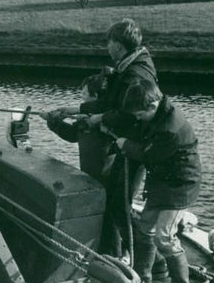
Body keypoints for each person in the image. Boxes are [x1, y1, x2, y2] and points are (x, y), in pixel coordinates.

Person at [44, 18, 158, 261]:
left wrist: (95, 119)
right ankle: (117, 256)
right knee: (116, 206)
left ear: (118, 44)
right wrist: (75, 110)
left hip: (130, 147)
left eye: (109, 43)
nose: (107, 48)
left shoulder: (134, 73)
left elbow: (125, 112)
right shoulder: (130, 66)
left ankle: (145, 262)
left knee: (118, 207)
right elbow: (111, 104)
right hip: (125, 146)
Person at [108, 77, 201, 283]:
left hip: (180, 187)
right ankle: (143, 277)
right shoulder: (157, 114)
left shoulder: (170, 128)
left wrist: (126, 145)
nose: (138, 119)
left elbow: (149, 155)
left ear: (151, 106)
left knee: (164, 237)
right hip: (162, 183)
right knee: (145, 229)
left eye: (140, 115)